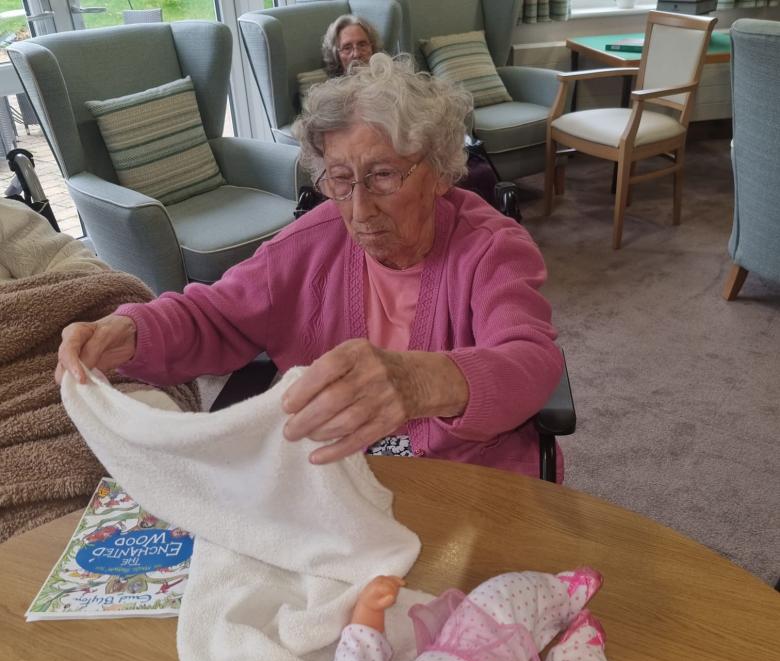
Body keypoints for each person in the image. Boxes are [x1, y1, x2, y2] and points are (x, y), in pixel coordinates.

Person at [56, 53, 563, 478]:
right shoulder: (310, 243)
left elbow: (532, 361)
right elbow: (215, 315)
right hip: (337, 479)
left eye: (383, 175)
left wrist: (422, 382)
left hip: (465, 476)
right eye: (340, 179)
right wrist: (132, 331)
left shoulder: (491, 248)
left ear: (439, 172)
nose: (359, 211)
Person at [320, 569, 627, 661]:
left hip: (468, 649)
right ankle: (580, 650)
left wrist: (368, 608)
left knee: (500, 592)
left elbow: (357, 653)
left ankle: (560, 594)